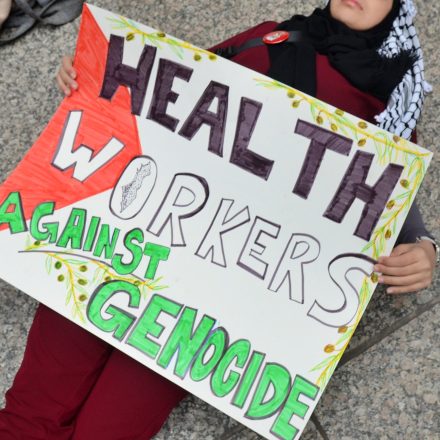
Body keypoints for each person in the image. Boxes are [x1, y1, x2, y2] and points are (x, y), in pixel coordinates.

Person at [0, 0, 437, 439]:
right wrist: (92, 72)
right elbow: (159, 79)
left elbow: (387, 196)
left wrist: (422, 247)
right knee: (31, 406)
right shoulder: (272, 34)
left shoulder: (388, 101)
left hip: (205, 301)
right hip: (122, 242)